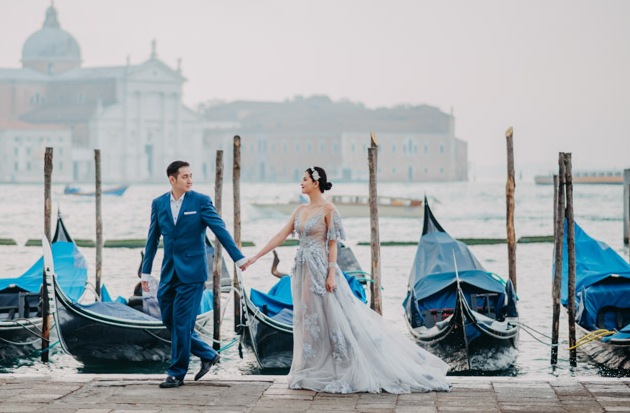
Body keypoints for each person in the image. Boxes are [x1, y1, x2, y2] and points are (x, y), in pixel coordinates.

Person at [241, 166, 450, 394]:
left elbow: (332, 245)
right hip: (301, 271)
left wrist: (331, 274)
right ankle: (311, 367)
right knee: (308, 321)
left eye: (304, 179)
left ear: (316, 182)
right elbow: (280, 236)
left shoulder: (329, 209)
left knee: (333, 319)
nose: (300, 183)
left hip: (321, 270)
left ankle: (343, 367)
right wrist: (255, 257)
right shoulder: (300, 210)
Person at [142, 160, 247, 388]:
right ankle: (208, 353)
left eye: (191, 176)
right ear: (172, 179)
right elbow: (152, 239)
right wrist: (145, 272)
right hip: (168, 273)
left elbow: (220, 229)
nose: (190, 180)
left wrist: (238, 258)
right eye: (185, 177)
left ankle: (176, 373)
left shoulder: (200, 201)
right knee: (168, 320)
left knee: (181, 324)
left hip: (193, 274)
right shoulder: (159, 203)